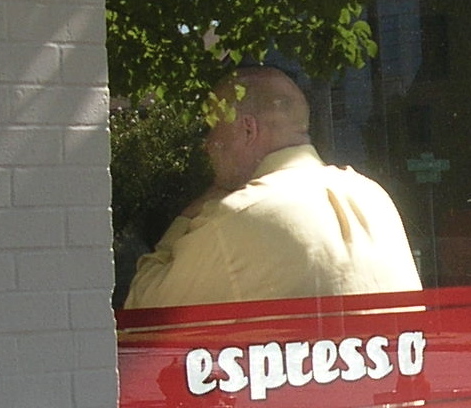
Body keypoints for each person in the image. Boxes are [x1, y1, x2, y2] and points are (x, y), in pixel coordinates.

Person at [123, 67, 422, 308]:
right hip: (394, 380)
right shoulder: (374, 196)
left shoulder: (240, 215)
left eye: (211, 127)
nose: (207, 144)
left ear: (248, 129)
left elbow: (145, 306)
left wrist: (188, 215)